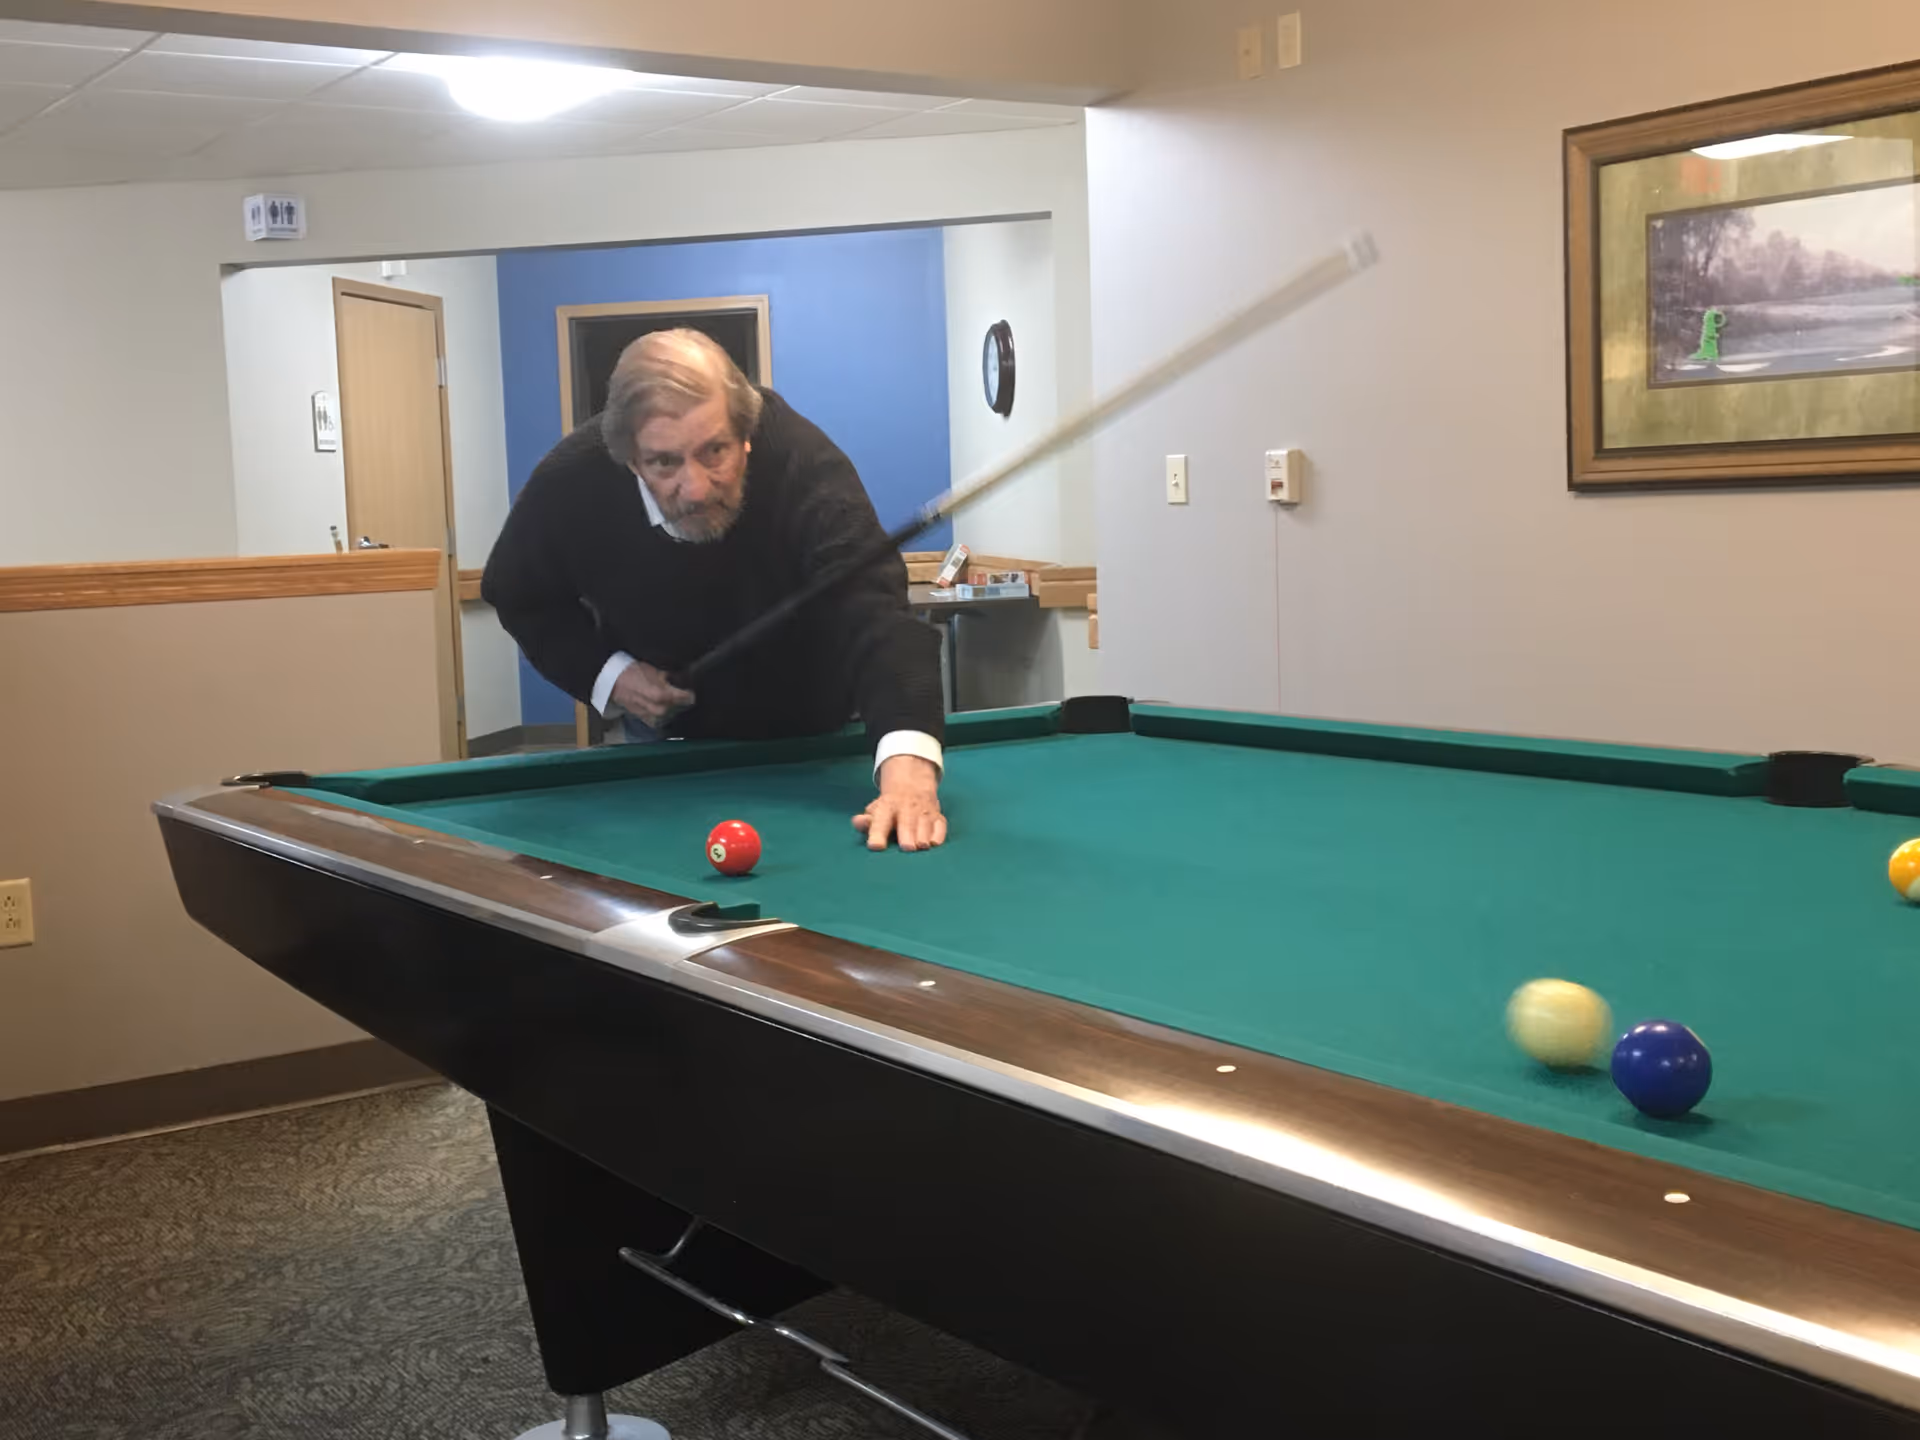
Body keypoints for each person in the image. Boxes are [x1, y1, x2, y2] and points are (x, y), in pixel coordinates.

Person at [481, 329, 948, 851]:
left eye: (716, 451)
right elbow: (518, 591)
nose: (697, 488)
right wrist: (609, 675)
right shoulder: (574, 479)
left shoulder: (803, 462)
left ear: (746, 434)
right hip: (670, 735)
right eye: (664, 463)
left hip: (817, 726)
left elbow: (873, 608)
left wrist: (907, 761)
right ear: (630, 460)